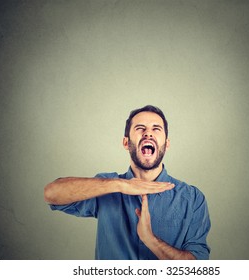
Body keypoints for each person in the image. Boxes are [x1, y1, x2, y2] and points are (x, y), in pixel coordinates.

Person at [44, 105, 211, 260]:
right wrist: (119, 185)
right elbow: (51, 193)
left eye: (156, 129)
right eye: (140, 128)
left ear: (166, 144)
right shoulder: (106, 186)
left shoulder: (192, 198)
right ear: (126, 143)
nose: (148, 133)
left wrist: (150, 239)